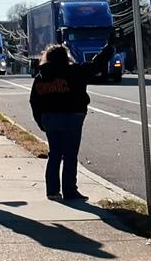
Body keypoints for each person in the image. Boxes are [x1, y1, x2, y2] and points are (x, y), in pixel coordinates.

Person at [28, 41, 113, 200]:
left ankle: (52, 191)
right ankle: (70, 190)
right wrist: (108, 49)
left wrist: (40, 121)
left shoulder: (41, 76)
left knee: (54, 154)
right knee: (70, 155)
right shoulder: (76, 71)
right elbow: (97, 64)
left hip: (50, 118)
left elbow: (34, 100)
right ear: (66, 56)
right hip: (73, 116)